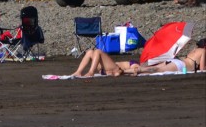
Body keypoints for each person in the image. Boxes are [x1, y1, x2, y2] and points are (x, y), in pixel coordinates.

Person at [71, 44, 205, 77]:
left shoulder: (194, 51)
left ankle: (89, 72)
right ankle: (79, 71)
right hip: (180, 64)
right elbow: (203, 69)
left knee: (96, 51)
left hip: (122, 67)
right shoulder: (203, 52)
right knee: (92, 51)